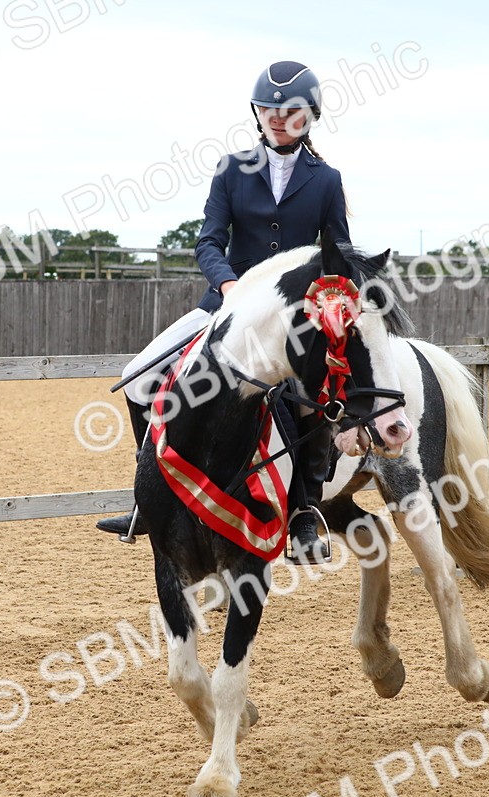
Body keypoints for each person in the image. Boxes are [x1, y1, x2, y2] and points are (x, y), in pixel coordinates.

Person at [96, 60, 350, 564]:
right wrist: (230, 285)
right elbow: (208, 242)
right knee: (138, 378)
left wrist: (325, 304)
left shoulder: (327, 181)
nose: (278, 117)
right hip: (225, 305)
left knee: (306, 400)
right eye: (268, 108)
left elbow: (337, 252)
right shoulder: (232, 170)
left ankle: (303, 511)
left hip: (291, 319)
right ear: (256, 113)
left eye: (290, 110)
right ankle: (150, 497)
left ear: (309, 115)